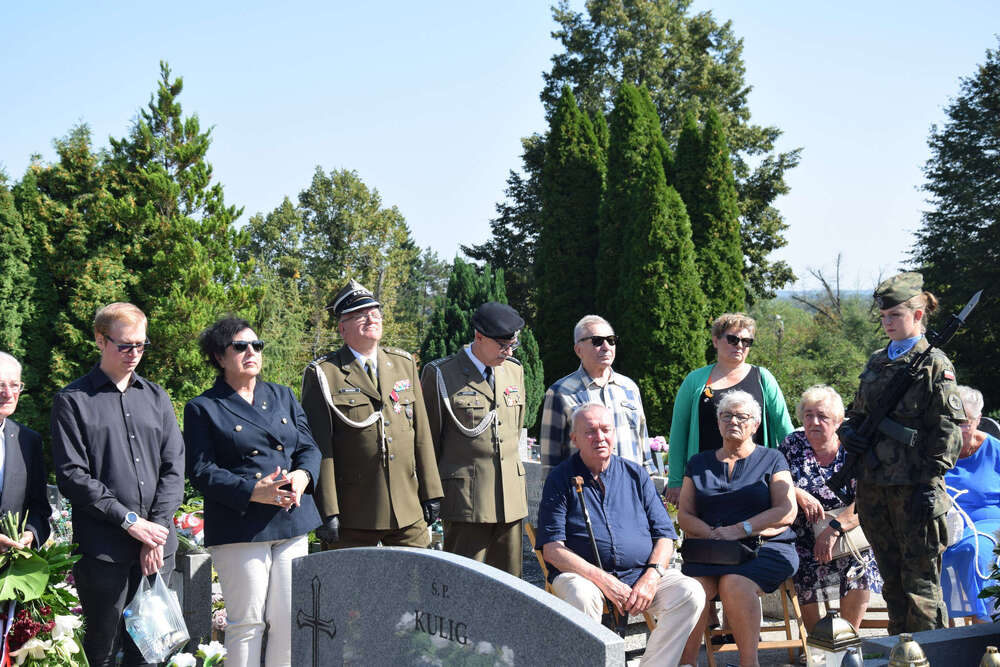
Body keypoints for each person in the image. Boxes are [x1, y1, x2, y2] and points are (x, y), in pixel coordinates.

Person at [51, 303, 185, 666]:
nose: (134, 354)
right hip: (104, 550)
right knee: (103, 651)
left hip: (156, 549)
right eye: (125, 345)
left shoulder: (157, 397)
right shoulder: (73, 401)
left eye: (141, 345)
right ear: (100, 340)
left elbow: (174, 468)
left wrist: (153, 530)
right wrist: (131, 523)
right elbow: (73, 477)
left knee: (151, 653)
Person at [184, 316, 322, 666]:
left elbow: (309, 447)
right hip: (240, 525)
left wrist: (304, 475)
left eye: (256, 346)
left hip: (291, 519)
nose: (251, 352)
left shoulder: (282, 395)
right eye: (240, 346)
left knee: (292, 620)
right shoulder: (203, 407)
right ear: (219, 356)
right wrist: (250, 491)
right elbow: (200, 471)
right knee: (247, 623)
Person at [842, 271, 965, 634]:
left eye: (894, 315)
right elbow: (858, 413)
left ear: (918, 314)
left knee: (921, 588)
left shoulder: (934, 365)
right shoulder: (878, 361)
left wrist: (930, 480)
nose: (887, 323)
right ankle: (902, 653)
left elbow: (947, 432)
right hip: (874, 487)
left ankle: (932, 654)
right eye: (883, 316)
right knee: (892, 584)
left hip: (915, 489)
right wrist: (850, 435)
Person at [537, 402, 704, 667]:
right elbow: (552, 548)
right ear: (575, 439)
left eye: (605, 429)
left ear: (614, 434)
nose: (600, 437)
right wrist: (603, 580)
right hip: (583, 578)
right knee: (581, 596)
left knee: (690, 592)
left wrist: (651, 577)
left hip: (639, 575)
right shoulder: (560, 479)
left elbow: (665, 536)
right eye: (590, 431)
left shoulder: (635, 474)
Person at [301, 279, 443, 548]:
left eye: (375, 313)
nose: (371, 318)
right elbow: (320, 447)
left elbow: (421, 434)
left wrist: (431, 492)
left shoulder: (403, 364)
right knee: (352, 588)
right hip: (354, 511)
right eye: (360, 315)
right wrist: (327, 510)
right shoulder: (324, 373)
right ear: (342, 327)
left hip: (407, 506)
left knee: (415, 584)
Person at [678, 391, 798, 667]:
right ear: (718, 423)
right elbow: (684, 514)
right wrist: (712, 534)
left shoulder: (773, 459)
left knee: (734, 582)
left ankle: (748, 662)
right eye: (726, 415)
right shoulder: (699, 462)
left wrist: (741, 529)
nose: (733, 421)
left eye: (741, 416)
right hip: (712, 549)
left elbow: (786, 510)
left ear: (755, 424)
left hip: (765, 547)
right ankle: (687, 663)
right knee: (691, 589)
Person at [420, 302, 527, 575]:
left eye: (513, 344)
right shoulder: (442, 373)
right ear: (479, 337)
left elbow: (513, 431)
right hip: (467, 502)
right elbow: (428, 441)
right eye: (503, 345)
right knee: (465, 585)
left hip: (510, 500)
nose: (509, 351)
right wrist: (430, 495)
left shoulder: (514, 370)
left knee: (511, 587)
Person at [778, 385, 882, 633]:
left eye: (822, 416)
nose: (814, 422)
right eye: (808, 415)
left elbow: (870, 497)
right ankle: (818, 644)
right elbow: (774, 479)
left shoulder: (853, 447)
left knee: (862, 564)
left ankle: (847, 639)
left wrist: (833, 530)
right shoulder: (793, 444)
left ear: (837, 421)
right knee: (799, 561)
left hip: (849, 528)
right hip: (803, 533)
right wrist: (797, 492)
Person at [665, 312, 793, 505]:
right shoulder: (695, 381)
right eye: (733, 339)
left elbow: (785, 429)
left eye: (747, 341)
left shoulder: (763, 378)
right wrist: (676, 480)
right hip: (704, 479)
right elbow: (679, 432)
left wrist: (791, 476)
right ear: (716, 341)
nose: (740, 345)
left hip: (756, 480)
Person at [539, 315, 652, 476]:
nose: (606, 347)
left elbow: (643, 443)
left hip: (630, 489)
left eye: (611, 340)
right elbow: (550, 462)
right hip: (584, 492)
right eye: (597, 341)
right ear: (579, 350)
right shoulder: (559, 392)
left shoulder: (629, 388)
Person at [940, 385, 1000, 623]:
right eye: (949, 420)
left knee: (973, 550)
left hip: (991, 524)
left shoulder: (995, 451)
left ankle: (984, 624)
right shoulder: (935, 452)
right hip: (945, 525)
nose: (954, 429)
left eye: (962, 422)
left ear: (977, 421)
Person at [0, 352, 51, 550]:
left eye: (15, 385)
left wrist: (31, 533)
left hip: (10, 571)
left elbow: (39, 507)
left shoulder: (28, 441)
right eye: (0, 384)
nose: (8, 393)